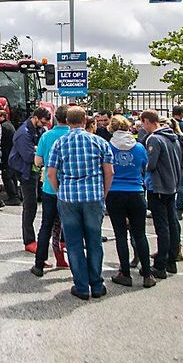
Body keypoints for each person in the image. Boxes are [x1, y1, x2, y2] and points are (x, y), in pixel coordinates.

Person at [45, 106, 113, 300]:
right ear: (85, 120)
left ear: (67, 120)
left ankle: (81, 286)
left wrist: (60, 191)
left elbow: (51, 173)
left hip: (69, 197)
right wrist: (103, 193)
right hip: (93, 196)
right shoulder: (99, 142)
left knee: (74, 243)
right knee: (94, 241)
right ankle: (97, 284)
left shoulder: (60, 143)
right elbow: (109, 172)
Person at [105, 114, 156, 288]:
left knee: (120, 235)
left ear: (111, 128)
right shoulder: (140, 148)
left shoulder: (108, 146)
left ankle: (125, 273)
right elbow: (144, 166)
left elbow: (105, 169)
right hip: (136, 191)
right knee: (140, 234)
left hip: (115, 192)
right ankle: (148, 274)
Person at [139, 110, 182, 279]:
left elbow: (151, 164)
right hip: (171, 185)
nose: (142, 126)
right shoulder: (173, 137)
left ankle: (160, 265)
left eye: (143, 122)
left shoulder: (154, 139)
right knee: (171, 223)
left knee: (161, 227)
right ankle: (171, 260)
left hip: (158, 186)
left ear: (148, 121)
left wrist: (140, 166)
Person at [31, 105, 72, 275]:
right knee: (71, 226)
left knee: (46, 225)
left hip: (50, 187)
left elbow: (38, 161)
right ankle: (72, 263)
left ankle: (39, 264)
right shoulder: (74, 136)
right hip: (71, 188)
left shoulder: (47, 136)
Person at [10, 107, 51, 251]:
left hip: (35, 170)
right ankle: (29, 240)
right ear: (36, 118)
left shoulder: (39, 130)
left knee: (37, 204)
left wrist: (37, 151)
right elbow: (29, 156)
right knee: (30, 205)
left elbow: (41, 150)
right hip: (25, 171)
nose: (44, 125)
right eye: (43, 122)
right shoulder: (23, 133)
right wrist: (38, 151)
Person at [0, 110, 20, 205]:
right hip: (12, 154)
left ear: (3, 116)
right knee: (12, 176)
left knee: (7, 176)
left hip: (8, 155)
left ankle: (13, 197)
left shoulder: (4, 127)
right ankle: (15, 195)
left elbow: (1, 141)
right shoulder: (9, 125)